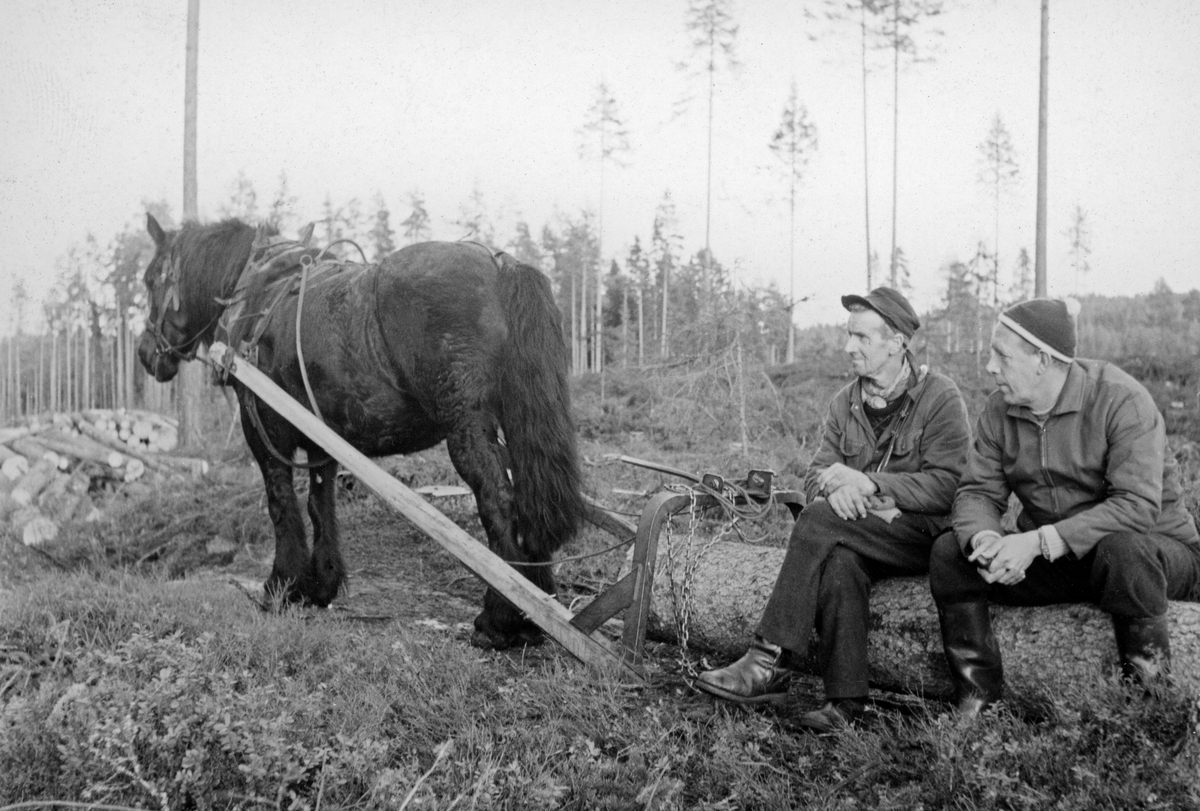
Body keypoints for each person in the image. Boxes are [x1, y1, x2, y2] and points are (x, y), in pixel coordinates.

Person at [694, 287, 971, 732]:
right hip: (859, 531)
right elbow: (814, 474)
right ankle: (845, 704)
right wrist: (836, 489)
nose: (849, 347)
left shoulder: (940, 398)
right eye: (849, 335)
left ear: (896, 342)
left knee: (822, 519)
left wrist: (870, 483)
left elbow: (950, 485)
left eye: (862, 337)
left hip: (918, 535)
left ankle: (769, 660)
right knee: (840, 563)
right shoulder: (845, 401)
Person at [930, 298, 1200, 716]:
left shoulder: (1120, 399)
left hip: (1154, 555)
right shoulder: (999, 411)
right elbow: (977, 493)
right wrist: (986, 540)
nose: (990, 367)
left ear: (1041, 360)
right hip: (1067, 560)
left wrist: (1035, 543)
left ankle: (1149, 712)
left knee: (1123, 549)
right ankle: (978, 701)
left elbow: (1137, 507)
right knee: (951, 552)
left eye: (1001, 355)